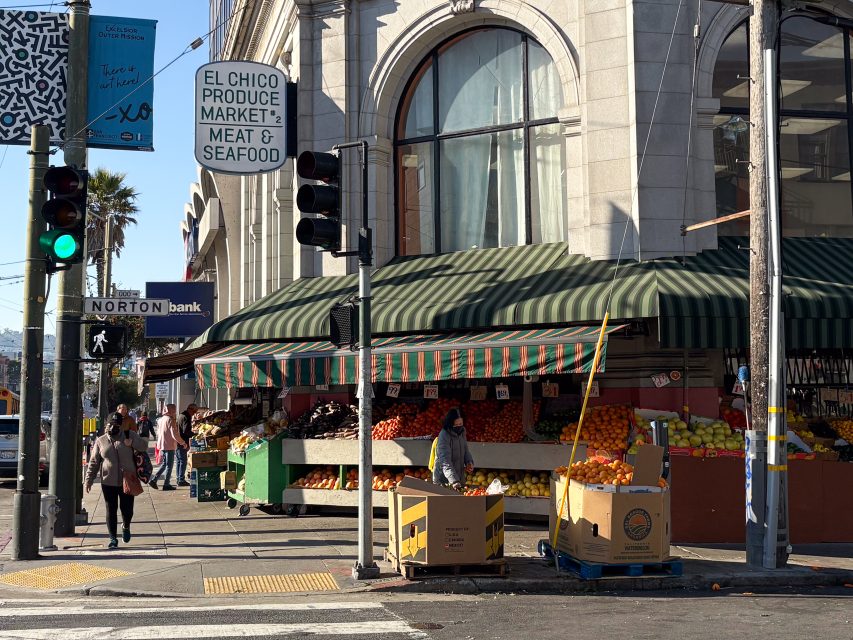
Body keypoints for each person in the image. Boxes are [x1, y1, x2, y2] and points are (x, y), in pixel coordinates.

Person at [85, 411, 147, 548]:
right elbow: (94, 462)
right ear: (106, 425)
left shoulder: (129, 435)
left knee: (127, 510)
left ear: (121, 425)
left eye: (117, 425)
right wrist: (88, 480)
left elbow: (144, 446)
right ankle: (113, 538)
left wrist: (132, 444)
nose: (113, 427)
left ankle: (126, 526)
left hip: (128, 479)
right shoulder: (101, 441)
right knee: (110, 509)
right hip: (108, 481)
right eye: (111, 424)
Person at [432, 407, 474, 490]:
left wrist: (469, 462)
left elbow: (465, 449)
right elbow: (445, 461)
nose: (458, 427)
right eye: (455, 425)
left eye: (460, 424)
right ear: (450, 424)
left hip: (458, 475)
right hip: (443, 479)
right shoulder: (444, 435)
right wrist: (454, 481)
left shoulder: (462, 431)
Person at [149, 404, 186, 491]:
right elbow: (174, 434)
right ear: (170, 410)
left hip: (162, 444)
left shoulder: (161, 419)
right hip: (169, 445)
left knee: (165, 463)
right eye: (174, 409)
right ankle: (166, 484)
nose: (175, 411)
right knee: (169, 465)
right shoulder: (170, 420)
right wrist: (183, 442)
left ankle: (154, 480)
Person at [174, 403, 198, 487]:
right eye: (194, 411)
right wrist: (195, 434)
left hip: (178, 442)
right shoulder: (187, 417)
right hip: (183, 442)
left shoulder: (181, 415)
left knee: (179, 461)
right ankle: (181, 479)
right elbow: (186, 431)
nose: (194, 413)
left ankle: (179, 478)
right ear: (190, 409)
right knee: (183, 461)